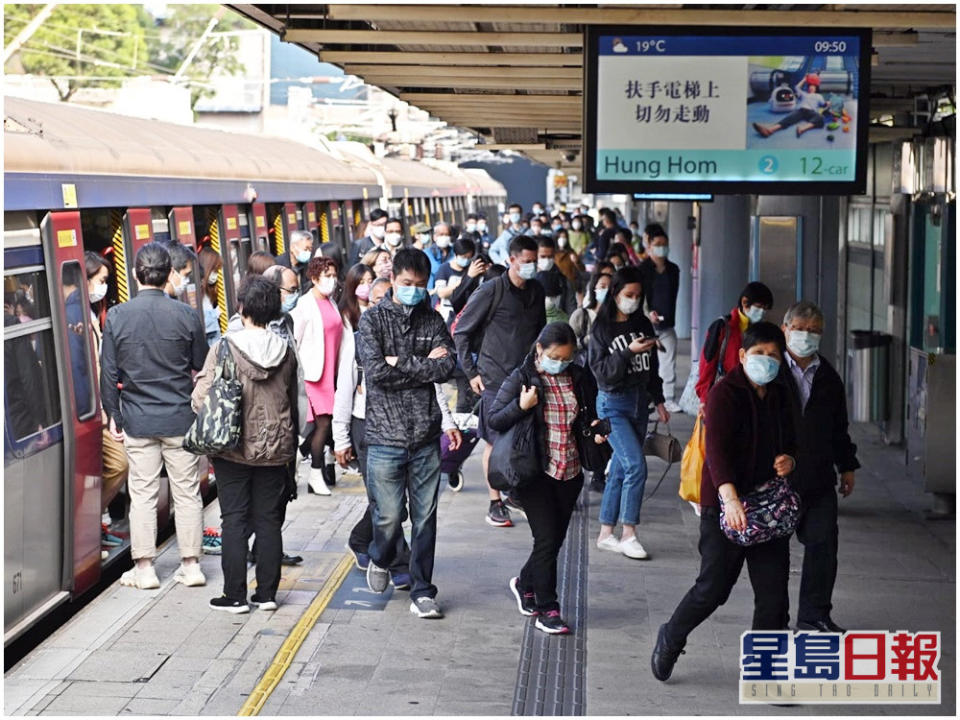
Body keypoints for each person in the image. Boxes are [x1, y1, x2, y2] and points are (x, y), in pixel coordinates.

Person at [651, 322, 797, 681]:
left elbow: (795, 437)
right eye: (759, 353)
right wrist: (730, 500)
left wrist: (790, 459)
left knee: (773, 594)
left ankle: (767, 672)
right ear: (743, 355)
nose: (766, 361)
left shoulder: (781, 392)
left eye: (774, 355)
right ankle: (671, 635)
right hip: (725, 504)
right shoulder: (725, 394)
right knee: (714, 588)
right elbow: (716, 453)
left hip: (768, 507)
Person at [336, 277, 460, 589]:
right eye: (376, 299)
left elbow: (441, 376)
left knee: (423, 516)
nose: (384, 305)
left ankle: (419, 585)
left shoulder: (427, 323)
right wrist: (340, 436)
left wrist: (446, 420)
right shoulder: (364, 331)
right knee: (389, 510)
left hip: (421, 432)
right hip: (373, 428)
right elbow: (357, 382)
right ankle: (381, 554)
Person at [100, 242, 208, 590]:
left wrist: (114, 415)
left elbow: (108, 373)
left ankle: (145, 568)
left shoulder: (117, 315)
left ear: (135, 274)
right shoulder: (187, 315)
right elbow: (201, 365)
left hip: (138, 419)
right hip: (179, 418)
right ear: (169, 276)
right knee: (187, 492)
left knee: (143, 493)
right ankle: (191, 566)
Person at [488, 322, 606, 634]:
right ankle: (548, 608)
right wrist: (521, 405)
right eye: (556, 357)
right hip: (534, 471)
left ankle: (524, 582)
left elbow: (587, 416)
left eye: (567, 358)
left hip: (569, 470)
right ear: (540, 349)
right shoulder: (523, 377)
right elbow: (494, 419)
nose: (562, 364)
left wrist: (594, 430)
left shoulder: (579, 377)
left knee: (553, 541)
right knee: (546, 538)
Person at [193, 275, 300, 613]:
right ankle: (267, 595)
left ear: (240, 307)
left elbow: (201, 399)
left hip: (233, 447)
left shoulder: (224, 346)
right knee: (269, 520)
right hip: (276, 446)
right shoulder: (285, 350)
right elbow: (295, 401)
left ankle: (234, 595)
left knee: (235, 519)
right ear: (274, 310)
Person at [454, 235, 546, 528]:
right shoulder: (492, 290)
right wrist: (471, 373)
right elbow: (461, 332)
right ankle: (495, 502)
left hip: (527, 377)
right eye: (526, 261)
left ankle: (516, 494)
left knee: (524, 437)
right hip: (494, 378)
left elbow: (541, 333)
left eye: (535, 261)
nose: (532, 266)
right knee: (495, 440)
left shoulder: (537, 291)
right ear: (511, 260)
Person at [781, 301, 859, 633]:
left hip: (817, 476)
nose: (806, 336)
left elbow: (838, 427)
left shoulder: (828, 376)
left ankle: (814, 614)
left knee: (823, 546)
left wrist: (847, 465)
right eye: (799, 328)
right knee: (772, 553)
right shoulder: (770, 370)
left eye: (814, 331)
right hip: (777, 479)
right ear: (785, 329)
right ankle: (773, 618)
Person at [589, 267, 668, 560]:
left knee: (621, 470)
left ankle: (606, 533)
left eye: (638, 295)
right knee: (636, 466)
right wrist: (627, 352)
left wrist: (658, 399)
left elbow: (652, 368)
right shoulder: (601, 329)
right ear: (615, 294)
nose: (633, 300)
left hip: (639, 404)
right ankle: (629, 533)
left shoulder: (643, 324)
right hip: (612, 405)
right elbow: (603, 375)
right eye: (628, 295)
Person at [290, 256, 347, 495]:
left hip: (331, 373)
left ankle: (298, 454)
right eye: (327, 276)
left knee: (319, 427)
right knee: (323, 423)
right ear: (314, 278)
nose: (332, 281)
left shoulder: (332, 302)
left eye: (334, 276)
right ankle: (315, 473)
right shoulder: (304, 305)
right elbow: (295, 340)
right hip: (313, 375)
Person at [85, 251, 129, 545]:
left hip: (98, 408)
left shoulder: (88, 313)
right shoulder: (77, 316)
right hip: (89, 410)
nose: (104, 287)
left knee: (117, 466)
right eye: (101, 281)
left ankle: (89, 526)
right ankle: (88, 528)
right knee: (117, 464)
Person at [695, 281, 774, 409]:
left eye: (765, 309)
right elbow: (708, 363)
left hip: (754, 394)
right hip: (725, 393)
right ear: (744, 302)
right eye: (759, 307)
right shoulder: (723, 327)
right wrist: (704, 398)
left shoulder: (762, 330)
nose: (762, 312)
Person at [639, 228, 682, 413]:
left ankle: (668, 398)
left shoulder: (673, 270)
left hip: (667, 324)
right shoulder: (642, 270)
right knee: (646, 362)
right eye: (657, 245)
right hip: (646, 324)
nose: (661, 248)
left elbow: (673, 295)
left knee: (668, 362)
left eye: (664, 245)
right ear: (649, 246)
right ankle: (647, 397)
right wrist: (648, 314)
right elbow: (640, 297)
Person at [753, 74, 826, 138]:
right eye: (810, 86)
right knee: (788, 119)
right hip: (800, 110)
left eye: (813, 86)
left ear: (816, 88)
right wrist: (804, 79)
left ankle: (802, 128)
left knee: (821, 118)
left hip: (811, 112)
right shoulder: (804, 94)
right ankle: (770, 130)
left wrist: (827, 104)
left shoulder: (819, 96)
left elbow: (823, 104)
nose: (811, 88)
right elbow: (797, 87)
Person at [433, 237, 477, 325]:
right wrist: (464, 280)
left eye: (469, 257)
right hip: (448, 313)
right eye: (464, 257)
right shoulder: (444, 268)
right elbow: (441, 293)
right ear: (456, 254)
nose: (466, 260)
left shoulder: (471, 268)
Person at [536, 237, 577, 316]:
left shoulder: (563, 281)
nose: (547, 260)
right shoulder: (527, 279)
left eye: (550, 257)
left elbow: (571, 310)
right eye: (543, 256)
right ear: (535, 255)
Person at [339, 262, 377, 332]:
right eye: (361, 282)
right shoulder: (347, 313)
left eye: (370, 281)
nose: (367, 286)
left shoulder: (377, 307)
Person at [198, 246, 224, 346]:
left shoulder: (208, 290)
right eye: (214, 271)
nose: (216, 275)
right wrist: (214, 314)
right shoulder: (197, 292)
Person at [425, 222, 454, 288]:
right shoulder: (428, 253)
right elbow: (436, 270)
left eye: (446, 234)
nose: (444, 237)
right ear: (434, 237)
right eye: (441, 234)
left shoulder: (454, 251)